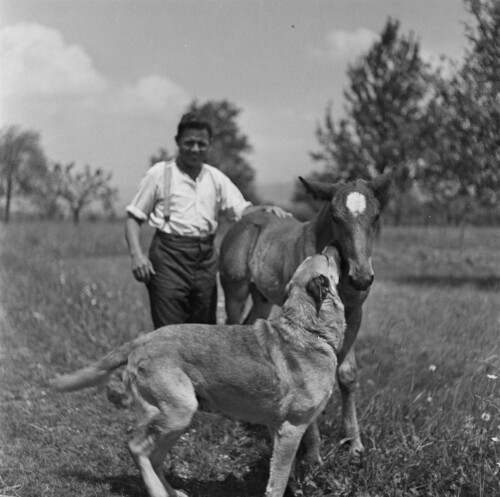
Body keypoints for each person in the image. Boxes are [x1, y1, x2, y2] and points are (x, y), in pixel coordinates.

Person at [125, 111, 290, 328]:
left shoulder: (215, 178)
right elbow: (133, 218)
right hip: (168, 259)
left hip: (205, 261)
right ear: (177, 142)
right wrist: (137, 256)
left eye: (201, 144)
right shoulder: (159, 174)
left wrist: (267, 210)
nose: (195, 149)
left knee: (203, 332)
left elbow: (242, 211)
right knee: (170, 332)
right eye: (189, 143)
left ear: (208, 144)